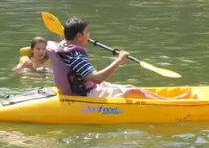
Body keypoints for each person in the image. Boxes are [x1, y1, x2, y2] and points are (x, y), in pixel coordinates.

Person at [47, 17, 192, 100]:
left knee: (129, 87)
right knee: (133, 92)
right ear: (79, 36)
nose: (88, 36)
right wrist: (119, 60)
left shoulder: (63, 46)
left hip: (80, 88)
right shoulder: (76, 56)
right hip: (84, 94)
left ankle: (167, 100)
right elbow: (97, 79)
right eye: (87, 33)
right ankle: (172, 102)